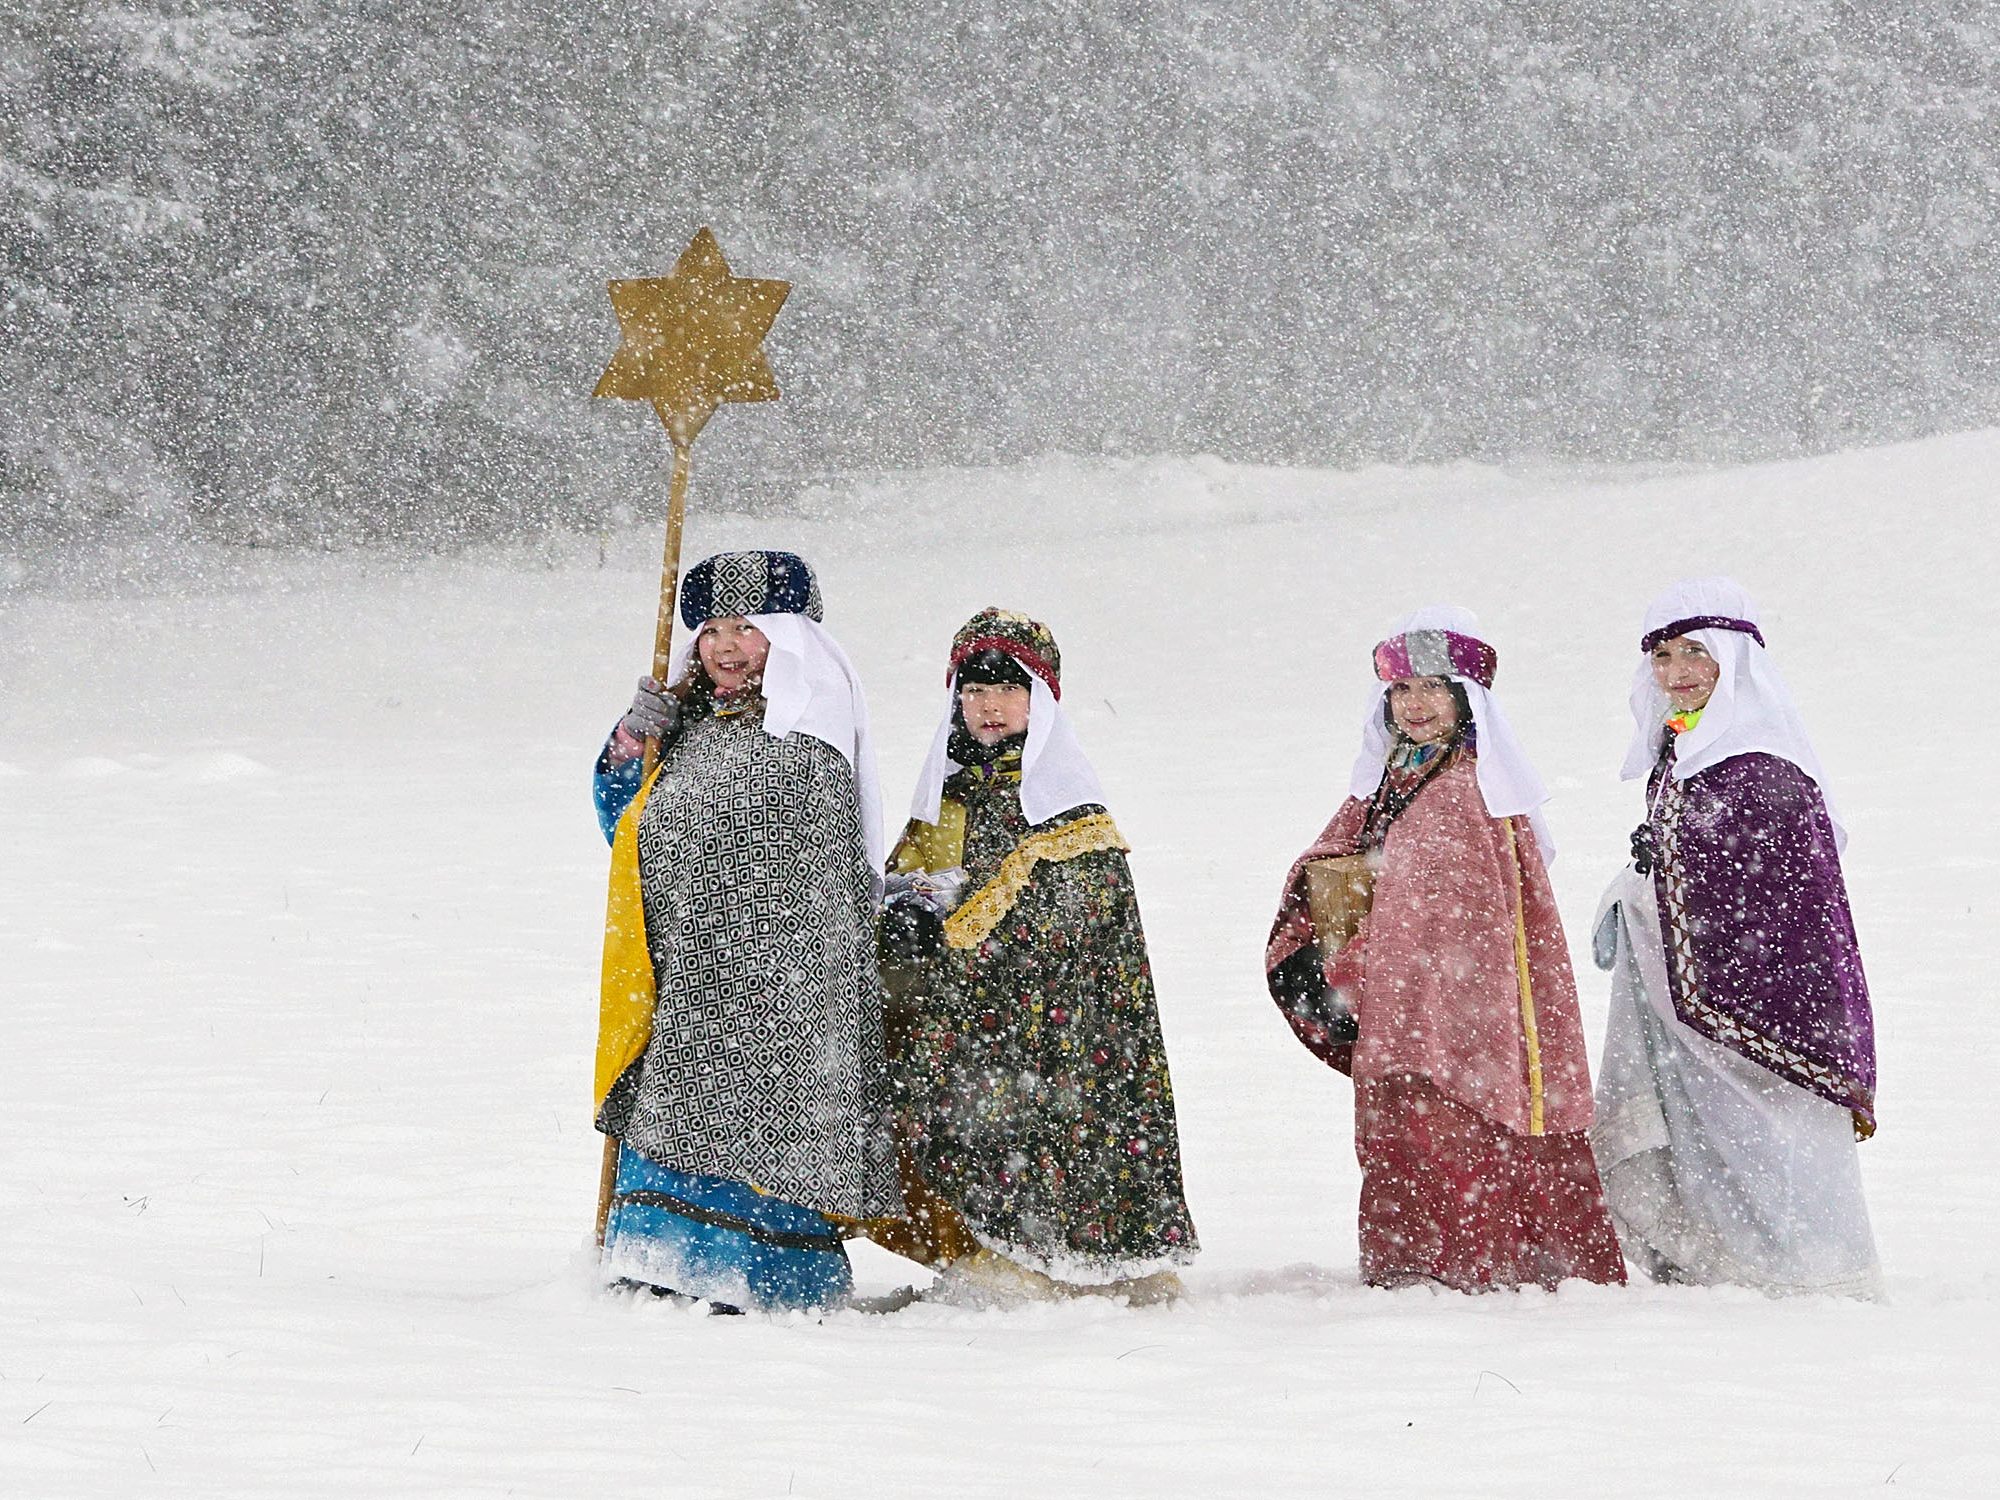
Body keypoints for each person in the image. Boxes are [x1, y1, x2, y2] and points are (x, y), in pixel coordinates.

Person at [1265, 606, 1625, 1291]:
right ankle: (1417, 1257)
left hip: (1458, 1008)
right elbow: (1341, 865)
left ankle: (1476, 1257)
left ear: (1466, 699)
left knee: (1457, 1125)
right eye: (1401, 690)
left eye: (1433, 687)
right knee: (1406, 1129)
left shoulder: (1467, 790)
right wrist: (1321, 950)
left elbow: (1443, 919)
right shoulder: (1392, 780)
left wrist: (1355, 964)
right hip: (1397, 1004)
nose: (1416, 704)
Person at [590, 549, 900, 1313]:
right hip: (690, 970)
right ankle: (662, 1262)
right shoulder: (685, 728)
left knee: (770, 1120)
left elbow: (822, 861)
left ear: (789, 640)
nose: (727, 646)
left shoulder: (811, 736)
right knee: (674, 1106)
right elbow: (624, 827)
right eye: (714, 629)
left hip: (788, 984)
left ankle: (764, 1274)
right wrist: (631, 743)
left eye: (748, 629)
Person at [872, 607, 1198, 1302]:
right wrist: (902, 918)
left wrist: (965, 939)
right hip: (965, 1021)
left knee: (1049, 1122)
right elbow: (914, 879)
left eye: (1008, 688)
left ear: (1041, 699)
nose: (989, 706)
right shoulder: (947, 792)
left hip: (1057, 1026)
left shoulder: (1068, 802)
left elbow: (1074, 919)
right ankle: (981, 1249)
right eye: (973, 688)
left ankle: (1067, 1258)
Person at [1590, 578, 1881, 1295]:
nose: (1676, 670)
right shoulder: (1681, 752)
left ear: (1735, 662)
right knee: (1704, 1131)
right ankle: (1711, 1254)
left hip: (1764, 1004)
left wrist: (1670, 881)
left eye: (1695, 652)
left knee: (1769, 1136)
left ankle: (1800, 1269)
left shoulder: (1764, 766)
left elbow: (1783, 904)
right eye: (1661, 655)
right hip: (1692, 995)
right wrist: (1649, 880)